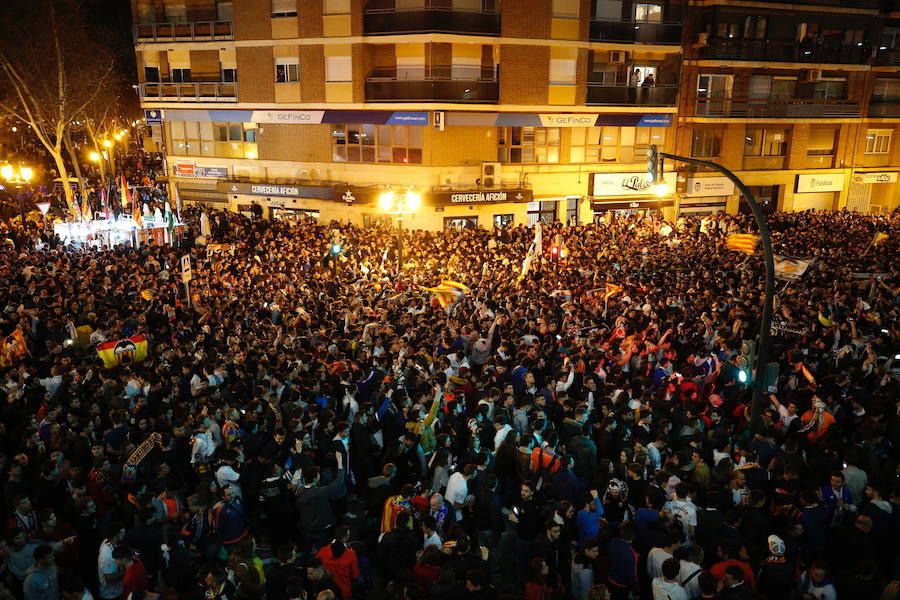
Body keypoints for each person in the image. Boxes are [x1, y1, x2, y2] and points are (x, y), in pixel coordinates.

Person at [315, 526, 359, 600]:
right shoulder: (351, 554)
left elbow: (315, 567)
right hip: (344, 592)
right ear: (345, 538)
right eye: (348, 535)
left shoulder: (323, 551)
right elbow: (354, 575)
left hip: (325, 592)